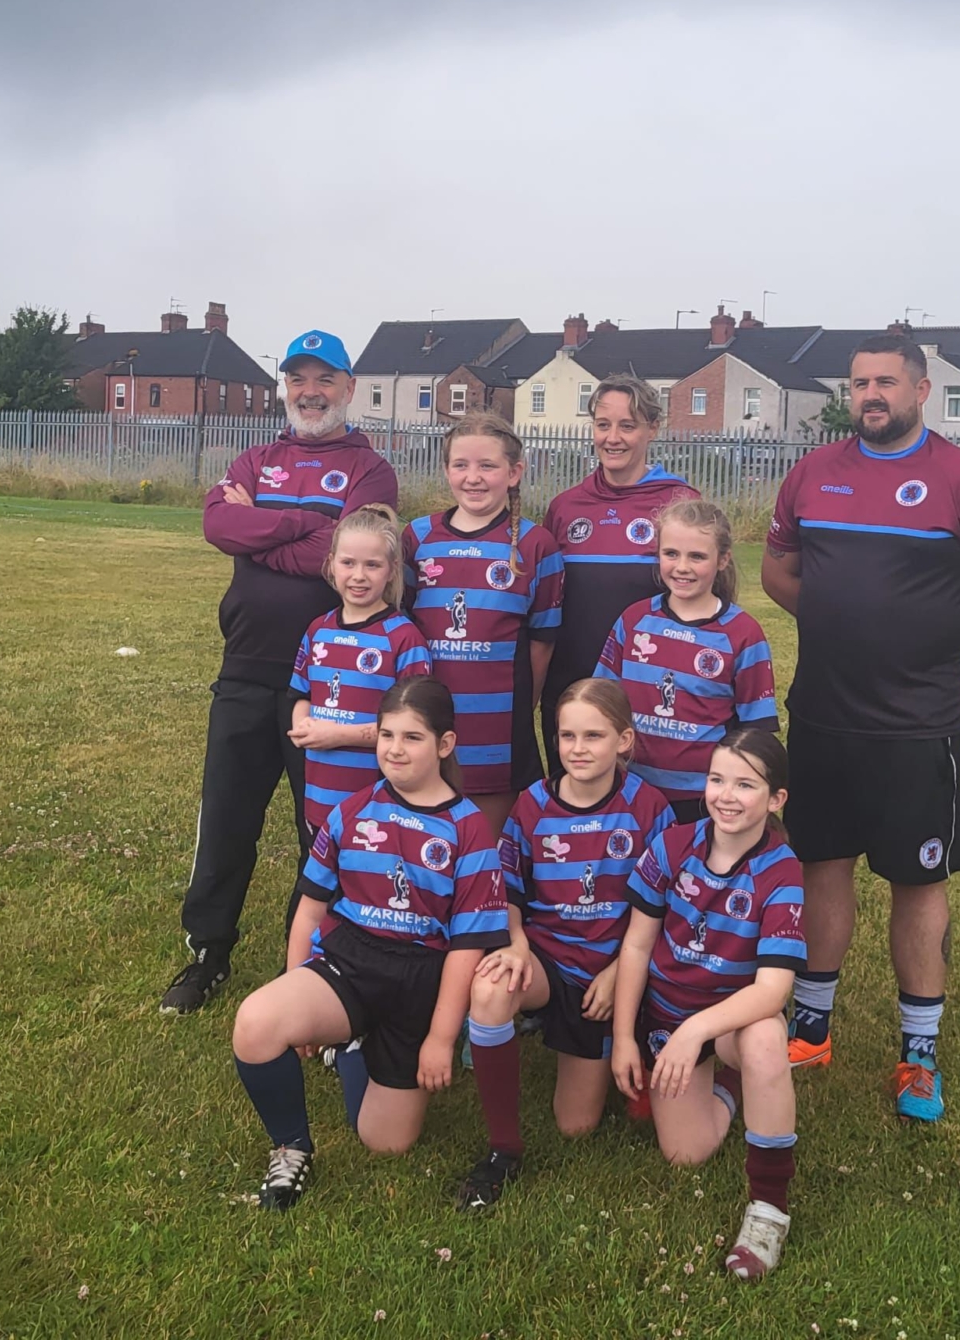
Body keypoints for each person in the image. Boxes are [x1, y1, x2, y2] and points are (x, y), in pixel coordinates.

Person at [761, 332, 960, 1122]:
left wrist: (938, 639)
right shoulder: (814, 472)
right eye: (859, 383)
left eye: (886, 382)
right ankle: (811, 1028)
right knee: (820, 865)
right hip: (822, 715)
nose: (871, 395)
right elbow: (777, 569)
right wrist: (837, 624)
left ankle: (918, 1054)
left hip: (917, 726)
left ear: (921, 390)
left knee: (917, 884)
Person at [161, 331, 398, 1015]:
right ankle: (208, 953)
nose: (310, 392)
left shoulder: (371, 471)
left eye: (324, 379)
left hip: (333, 682)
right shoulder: (257, 459)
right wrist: (303, 525)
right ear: (285, 387)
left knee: (320, 829)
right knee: (227, 817)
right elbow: (218, 526)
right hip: (245, 666)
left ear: (349, 388)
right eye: (298, 379)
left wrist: (262, 527)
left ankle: (315, 963)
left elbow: (343, 556)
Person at [230, 679, 509, 1210]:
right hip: (351, 962)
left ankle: (355, 1046)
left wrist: (440, 1038)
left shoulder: (469, 829)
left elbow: (466, 947)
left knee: (386, 1143)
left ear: (445, 745)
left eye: (412, 737)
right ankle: (291, 1148)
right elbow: (310, 909)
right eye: (386, 735)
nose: (395, 749)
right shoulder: (352, 811)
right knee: (257, 1023)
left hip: (420, 981)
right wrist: (296, 982)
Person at [456, 678, 674, 1210]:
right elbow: (507, 889)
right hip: (547, 961)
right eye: (566, 736)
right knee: (491, 986)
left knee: (575, 1126)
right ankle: (504, 1146)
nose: (577, 749)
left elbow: (666, 910)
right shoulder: (532, 804)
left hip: (611, 970)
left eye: (593, 736)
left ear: (624, 740)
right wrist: (516, 945)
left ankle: (632, 1043)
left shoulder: (649, 808)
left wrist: (620, 973)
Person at [611, 730, 805, 1281]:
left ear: (776, 799)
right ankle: (730, 1088)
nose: (726, 795)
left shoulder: (783, 871)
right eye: (717, 779)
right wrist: (623, 1038)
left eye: (746, 785)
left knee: (766, 1039)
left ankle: (768, 1212)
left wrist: (695, 1031)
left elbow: (772, 991)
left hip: (731, 1020)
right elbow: (637, 946)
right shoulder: (673, 845)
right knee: (685, 1154)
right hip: (668, 1017)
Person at [401, 412, 564, 836]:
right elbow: (399, 630)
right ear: (446, 469)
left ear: (514, 473)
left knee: (485, 851)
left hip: (497, 732)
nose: (473, 477)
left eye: (487, 466)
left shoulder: (536, 545)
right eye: (461, 465)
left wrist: (520, 707)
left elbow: (542, 642)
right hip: (425, 721)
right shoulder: (417, 537)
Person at [594, 498, 779, 823]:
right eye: (671, 554)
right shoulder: (634, 620)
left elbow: (756, 731)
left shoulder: (743, 634)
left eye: (697, 556)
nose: (682, 567)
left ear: (723, 559)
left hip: (703, 798)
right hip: (629, 789)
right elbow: (602, 702)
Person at [540, 375, 696, 757]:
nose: (613, 438)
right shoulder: (565, 507)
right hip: (571, 688)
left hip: (649, 690)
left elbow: (702, 603)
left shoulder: (679, 501)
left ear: (652, 428)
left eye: (627, 426)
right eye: (603, 424)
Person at [288, 503, 431, 836]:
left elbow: (414, 726)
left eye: (372, 565)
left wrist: (338, 735)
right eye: (348, 563)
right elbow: (300, 693)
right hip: (319, 798)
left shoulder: (404, 638)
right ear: (331, 563)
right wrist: (303, 725)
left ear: (392, 570)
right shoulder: (317, 630)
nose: (358, 576)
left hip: (379, 807)